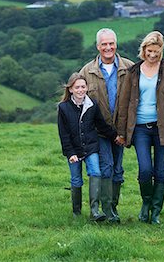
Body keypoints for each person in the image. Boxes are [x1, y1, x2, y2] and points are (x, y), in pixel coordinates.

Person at [117, 31, 164, 225]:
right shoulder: (133, 72)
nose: (152, 55)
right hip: (140, 128)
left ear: (161, 50)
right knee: (144, 170)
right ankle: (146, 203)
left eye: (156, 51)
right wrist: (121, 132)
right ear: (143, 50)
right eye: (149, 51)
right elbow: (124, 104)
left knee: (160, 172)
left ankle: (156, 211)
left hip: (162, 128)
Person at [79, 28, 134, 223]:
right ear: (97, 47)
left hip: (122, 131)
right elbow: (77, 101)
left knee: (118, 170)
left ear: (116, 45)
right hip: (99, 132)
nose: (108, 47)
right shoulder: (87, 71)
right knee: (107, 166)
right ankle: (107, 211)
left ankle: (113, 207)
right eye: (104, 44)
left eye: (111, 43)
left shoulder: (130, 68)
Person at [57, 73, 119, 221]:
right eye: (77, 87)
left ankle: (94, 211)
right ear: (70, 89)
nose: (80, 90)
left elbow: (101, 125)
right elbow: (63, 134)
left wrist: (115, 136)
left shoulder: (92, 105)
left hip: (91, 147)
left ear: (87, 88)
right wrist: (70, 152)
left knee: (96, 172)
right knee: (76, 180)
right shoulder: (63, 108)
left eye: (83, 87)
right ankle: (76, 212)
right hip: (73, 150)